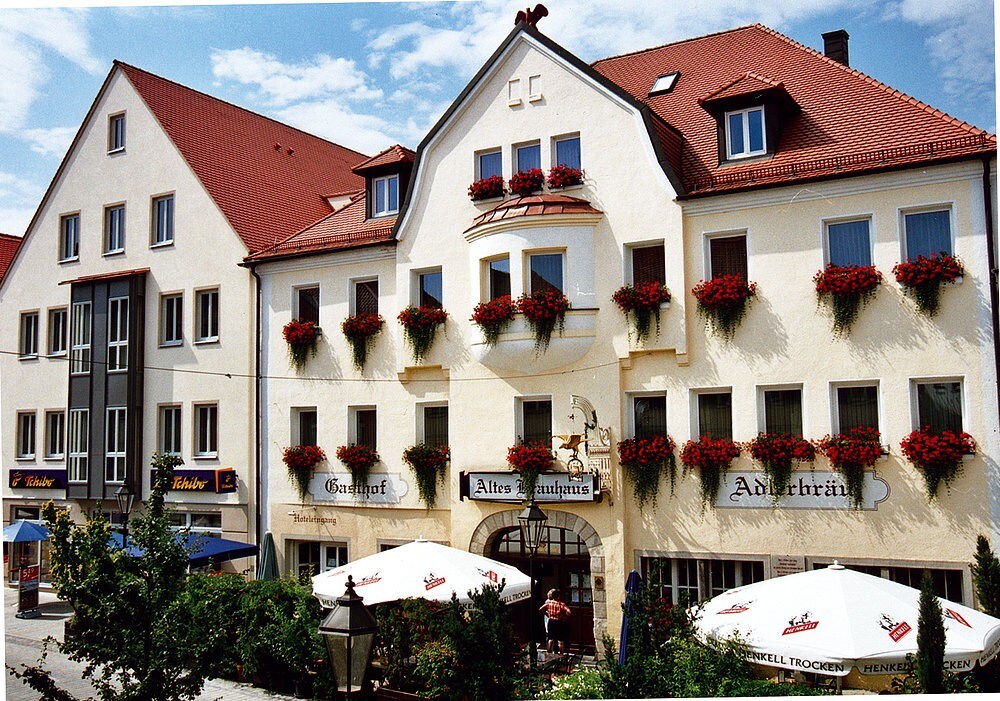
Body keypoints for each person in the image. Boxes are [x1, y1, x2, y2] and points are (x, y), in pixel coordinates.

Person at [539, 588, 572, 653]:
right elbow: (569, 612)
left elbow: (540, 609)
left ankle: (548, 653)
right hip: (559, 622)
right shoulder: (561, 604)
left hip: (551, 621)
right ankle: (561, 655)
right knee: (560, 640)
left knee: (550, 639)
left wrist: (547, 614)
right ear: (558, 596)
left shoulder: (549, 603)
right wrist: (564, 617)